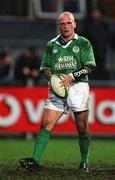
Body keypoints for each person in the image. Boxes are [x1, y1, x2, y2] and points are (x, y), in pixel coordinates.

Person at [19, 11, 96, 172]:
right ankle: (35, 161)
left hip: (78, 87)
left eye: (69, 23)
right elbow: (45, 68)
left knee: (82, 128)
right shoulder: (51, 45)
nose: (66, 26)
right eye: (62, 23)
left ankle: (84, 161)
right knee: (46, 124)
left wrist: (71, 76)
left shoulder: (83, 43)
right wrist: (52, 78)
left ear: (75, 24)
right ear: (59, 25)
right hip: (57, 87)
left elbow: (89, 66)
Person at [82, 8, 110, 80]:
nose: (96, 15)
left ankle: (102, 86)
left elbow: (109, 36)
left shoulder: (104, 25)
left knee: (101, 69)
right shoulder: (87, 25)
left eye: (97, 13)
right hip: (91, 52)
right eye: (94, 13)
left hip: (102, 51)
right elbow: (84, 38)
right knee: (91, 69)